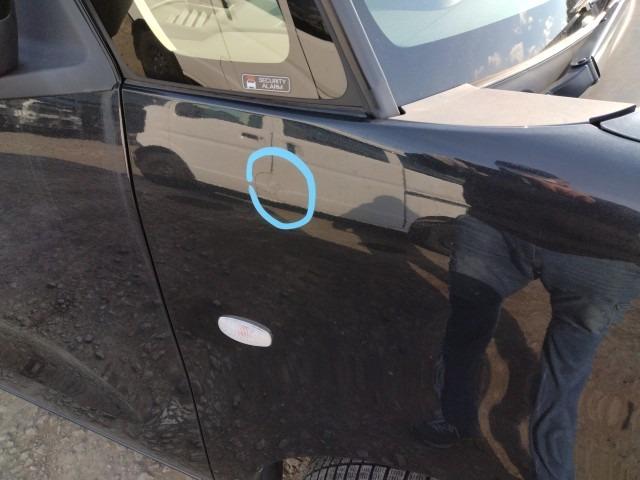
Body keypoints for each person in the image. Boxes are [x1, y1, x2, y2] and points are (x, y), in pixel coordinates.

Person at [412, 162, 640, 480]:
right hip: (498, 221)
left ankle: (552, 473)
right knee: (464, 334)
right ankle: (455, 418)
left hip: (605, 248)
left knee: (564, 372)